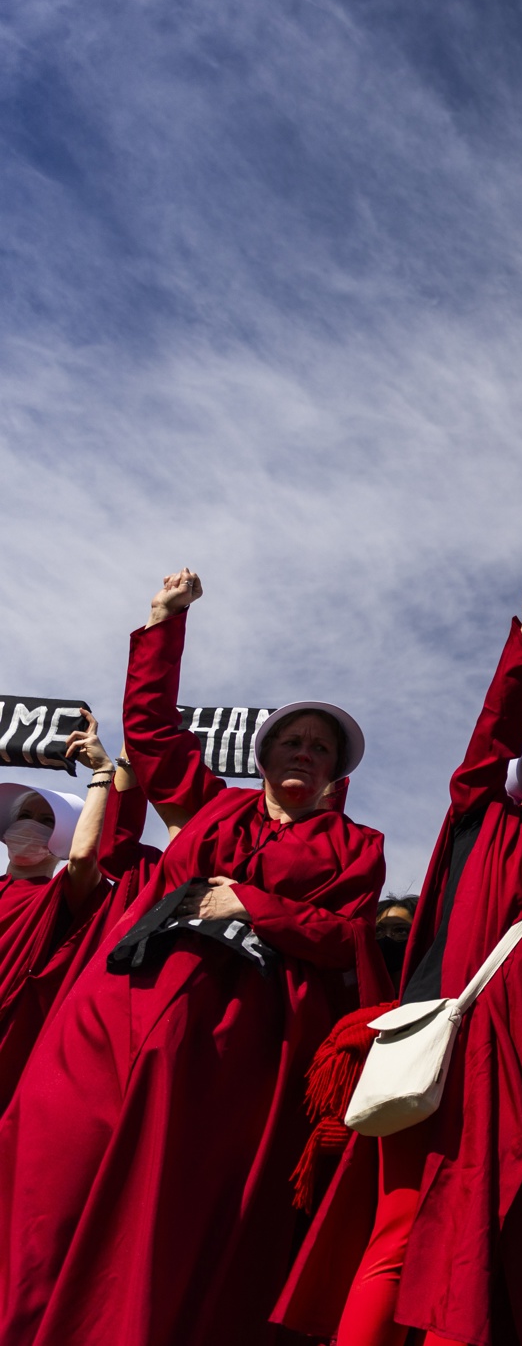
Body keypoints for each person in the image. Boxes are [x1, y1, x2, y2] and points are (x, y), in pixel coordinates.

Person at [0, 568, 388, 1346]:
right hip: (120, 1002)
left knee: (160, 1206)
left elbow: (348, 937)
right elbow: (148, 731)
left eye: (320, 748)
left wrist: (256, 904)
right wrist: (163, 625)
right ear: (265, 748)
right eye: (292, 740)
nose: (304, 754)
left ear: (335, 772)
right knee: (54, 1159)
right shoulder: (213, 803)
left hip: (228, 1038)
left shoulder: (358, 846)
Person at [278, 583, 522, 1346]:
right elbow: (485, 750)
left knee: (501, 1246)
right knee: (402, 1231)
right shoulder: (482, 823)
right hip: (452, 1061)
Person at [0, 718, 107, 1108]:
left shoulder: (63, 895)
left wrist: (103, 773)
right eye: (25, 815)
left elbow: (83, 857)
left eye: (47, 821)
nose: (29, 825)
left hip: (12, 1054)